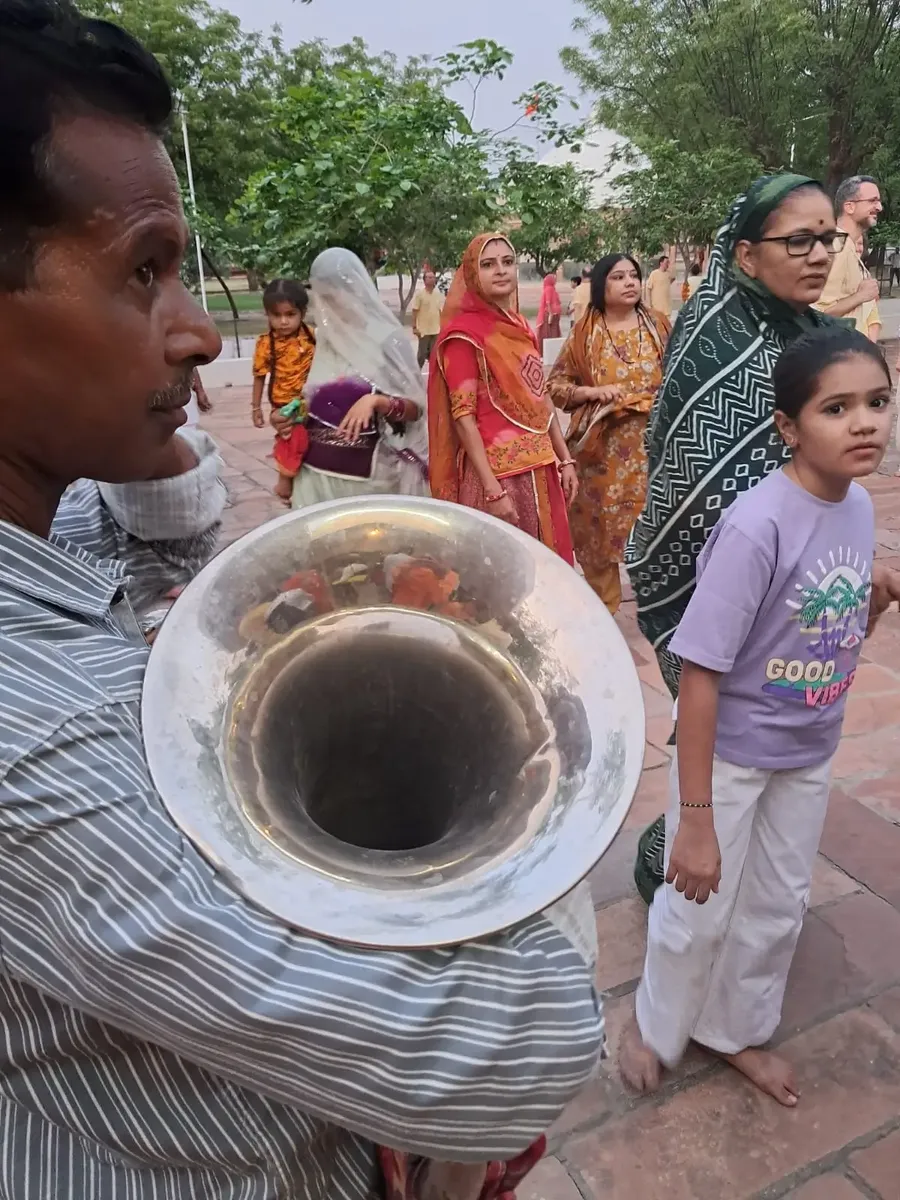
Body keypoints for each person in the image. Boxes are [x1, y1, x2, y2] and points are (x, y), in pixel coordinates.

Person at [0, 6, 606, 1198]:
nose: (192, 336)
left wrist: (152, 457)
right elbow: (517, 1055)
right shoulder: (28, 737)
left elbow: (146, 556)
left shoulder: (49, 518)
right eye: (141, 273)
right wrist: (536, 871)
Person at [620, 327, 893, 1106]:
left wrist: (868, 607)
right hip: (732, 755)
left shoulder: (859, 508)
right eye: (836, 408)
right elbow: (702, 673)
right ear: (787, 426)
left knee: (777, 905)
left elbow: (829, 641)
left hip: (808, 749)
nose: (865, 423)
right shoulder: (757, 523)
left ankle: (732, 1031)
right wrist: (697, 819)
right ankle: (656, 1027)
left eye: (877, 402)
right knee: (697, 908)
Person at [624, 173, 900, 904]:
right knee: (716, 730)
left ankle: (728, 881)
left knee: (765, 735)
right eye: (797, 240)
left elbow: (827, 465)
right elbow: (696, 476)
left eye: (826, 239)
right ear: (746, 254)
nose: (816, 254)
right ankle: (676, 866)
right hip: (705, 570)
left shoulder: (813, 336)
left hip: (791, 565)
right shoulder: (713, 330)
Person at [428, 233, 579, 563]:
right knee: (503, 578)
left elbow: (540, 397)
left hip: (542, 468)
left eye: (507, 262)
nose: (500, 270)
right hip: (499, 477)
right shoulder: (463, 336)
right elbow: (463, 417)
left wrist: (564, 458)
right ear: (472, 274)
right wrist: (492, 490)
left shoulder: (521, 327)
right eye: (488, 264)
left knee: (546, 573)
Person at [548, 255, 669, 613]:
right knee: (598, 541)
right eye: (618, 277)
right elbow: (555, 387)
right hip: (601, 459)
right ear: (602, 285)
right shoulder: (586, 332)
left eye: (634, 275)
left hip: (653, 456)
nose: (630, 282)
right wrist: (592, 393)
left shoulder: (659, 327)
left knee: (656, 536)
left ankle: (659, 616)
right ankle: (605, 617)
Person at [275, 246, 430, 509]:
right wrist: (286, 418)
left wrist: (377, 403)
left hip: (369, 483)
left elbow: (416, 410)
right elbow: (310, 402)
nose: (328, 305)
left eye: (335, 296)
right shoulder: (321, 340)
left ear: (357, 290)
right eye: (322, 297)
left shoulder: (386, 339)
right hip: (313, 479)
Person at [251, 278, 316, 503]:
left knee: (309, 446)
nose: (283, 322)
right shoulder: (266, 343)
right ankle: (284, 481)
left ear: (303, 312)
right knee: (293, 438)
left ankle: (301, 489)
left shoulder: (313, 338)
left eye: (290, 315)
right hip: (284, 405)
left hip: (312, 402)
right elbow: (260, 375)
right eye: (276, 316)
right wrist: (256, 407)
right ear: (267, 315)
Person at [814, 175, 882, 331]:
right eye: (872, 201)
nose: (879, 207)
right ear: (850, 207)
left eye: (878, 201)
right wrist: (861, 296)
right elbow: (817, 315)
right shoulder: (837, 245)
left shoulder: (849, 246)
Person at [411, 268, 443, 368]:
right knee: (422, 355)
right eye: (429, 277)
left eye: (433, 277)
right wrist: (414, 327)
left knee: (434, 355)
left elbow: (440, 310)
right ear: (424, 280)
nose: (431, 279)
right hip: (423, 330)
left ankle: (434, 377)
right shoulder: (420, 294)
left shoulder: (438, 294)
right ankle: (416, 374)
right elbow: (415, 310)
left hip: (436, 329)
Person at [855, 235, 882, 342]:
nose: (858, 248)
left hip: (863, 346)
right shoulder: (828, 276)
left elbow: (873, 318)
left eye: (860, 243)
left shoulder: (866, 276)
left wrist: (871, 346)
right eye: (852, 243)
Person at [536, 272, 562, 351]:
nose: (555, 280)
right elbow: (548, 302)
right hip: (550, 314)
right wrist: (550, 314)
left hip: (553, 314)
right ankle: (550, 351)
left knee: (552, 333)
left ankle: (551, 351)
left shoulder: (551, 289)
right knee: (550, 334)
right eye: (554, 279)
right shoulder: (549, 289)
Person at [644, 254, 674, 321]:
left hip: (667, 308)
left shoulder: (668, 274)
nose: (668, 264)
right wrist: (649, 303)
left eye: (668, 262)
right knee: (658, 328)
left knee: (667, 328)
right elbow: (648, 288)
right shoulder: (654, 274)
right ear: (661, 263)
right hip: (657, 307)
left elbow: (673, 278)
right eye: (666, 262)